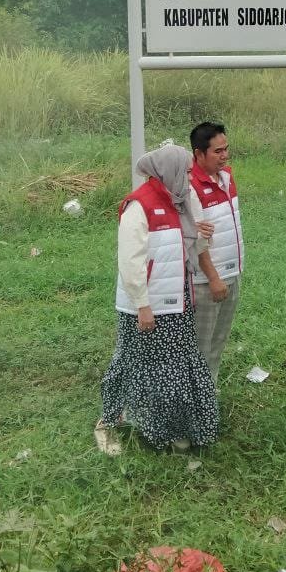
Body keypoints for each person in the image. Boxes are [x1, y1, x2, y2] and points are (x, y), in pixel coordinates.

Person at [99, 144, 219, 451]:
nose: (191, 177)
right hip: (146, 306)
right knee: (137, 362)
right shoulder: (138, 206)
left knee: (175, 366)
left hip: (177, 300)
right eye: (187, 172)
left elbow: (186, 247)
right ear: (170, 172)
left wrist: (201, 233)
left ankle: (173, 429)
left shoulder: (181, 201)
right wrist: (142, 305)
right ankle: (114, 421)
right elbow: (130, 262)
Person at [188, 121, 243, 384]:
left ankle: (209, 393)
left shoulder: (226, 177)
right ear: (199, 154)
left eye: (226, 149)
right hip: (207, 281)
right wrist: (213, 278)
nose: (225, 156)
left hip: (231, 273)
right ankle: (196, 398)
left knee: (219, 342)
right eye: (217, 151)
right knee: (201, 346)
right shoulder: (190, 186)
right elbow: (197, 241)